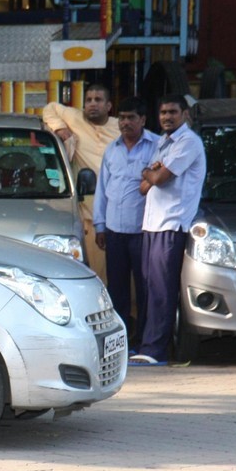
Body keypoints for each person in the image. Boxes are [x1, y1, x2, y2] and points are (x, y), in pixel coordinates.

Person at [129, 94, 207, 367]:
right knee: (149, 288)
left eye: (173, 112)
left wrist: (152, 172)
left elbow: (158, 179)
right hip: (152, 224)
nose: (167, 117)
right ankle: (146, 346)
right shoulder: (163, 143)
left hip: (172, 224)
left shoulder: (188, 142)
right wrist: (152, 173)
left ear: (184, 114)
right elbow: (144, 183)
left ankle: (156, 351)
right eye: (163, 113)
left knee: (162, 290)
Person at [93, 96, 160, 344]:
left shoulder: (156, 145)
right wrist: (100, 225)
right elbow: (102, 190)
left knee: (145, 289)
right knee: (117, 290)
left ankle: (144, 340)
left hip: (144, 231)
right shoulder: (112, 149)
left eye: (131, 117)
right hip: (114, 231)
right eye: (122, 117)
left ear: (142, 120)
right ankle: (120, 343)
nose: (125, 122)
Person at [43, 84, 121, 274]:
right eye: (88, 100)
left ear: (109, 106)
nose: (92, 104)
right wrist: (61, 129)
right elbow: (50, 108)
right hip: (89, 211)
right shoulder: (75, 118)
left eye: (98, 100)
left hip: (120, 208)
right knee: (96, 270)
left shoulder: (120, 127)